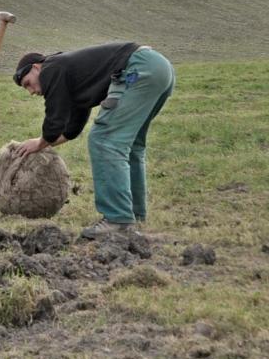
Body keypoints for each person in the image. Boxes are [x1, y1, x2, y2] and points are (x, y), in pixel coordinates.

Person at [11, 42, 174, 238]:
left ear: (36, 67)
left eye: (28, 83)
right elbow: (73, 127)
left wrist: (40, 141)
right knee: (130, 146)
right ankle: (134, 214)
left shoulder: (51, 68)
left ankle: (117, 219)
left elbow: (55, 119)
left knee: (104, 139)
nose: (31, 91)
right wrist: (43, 144)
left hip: (137, 69)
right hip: (158, 67)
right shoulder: (71, 75)